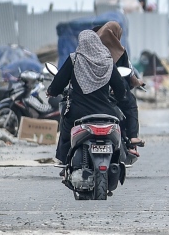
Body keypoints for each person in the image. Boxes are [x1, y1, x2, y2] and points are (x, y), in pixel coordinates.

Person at [47, 30, 128, 164]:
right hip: (105, 112)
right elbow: (120, 89)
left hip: (78, 113)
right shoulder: (108, 61)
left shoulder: (74, 59)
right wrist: (117, 96)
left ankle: (64, 162)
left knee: (66, 130)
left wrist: (52, 91)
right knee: (120, 127)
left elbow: (58, 83)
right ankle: (123, 157)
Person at [96, 21, 143, 149]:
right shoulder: (120, 51)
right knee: (130, 103)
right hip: (114, 91)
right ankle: (132, 137)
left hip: (91, 92)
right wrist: (137, 82)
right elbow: (130, 75)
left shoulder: (91, 49)